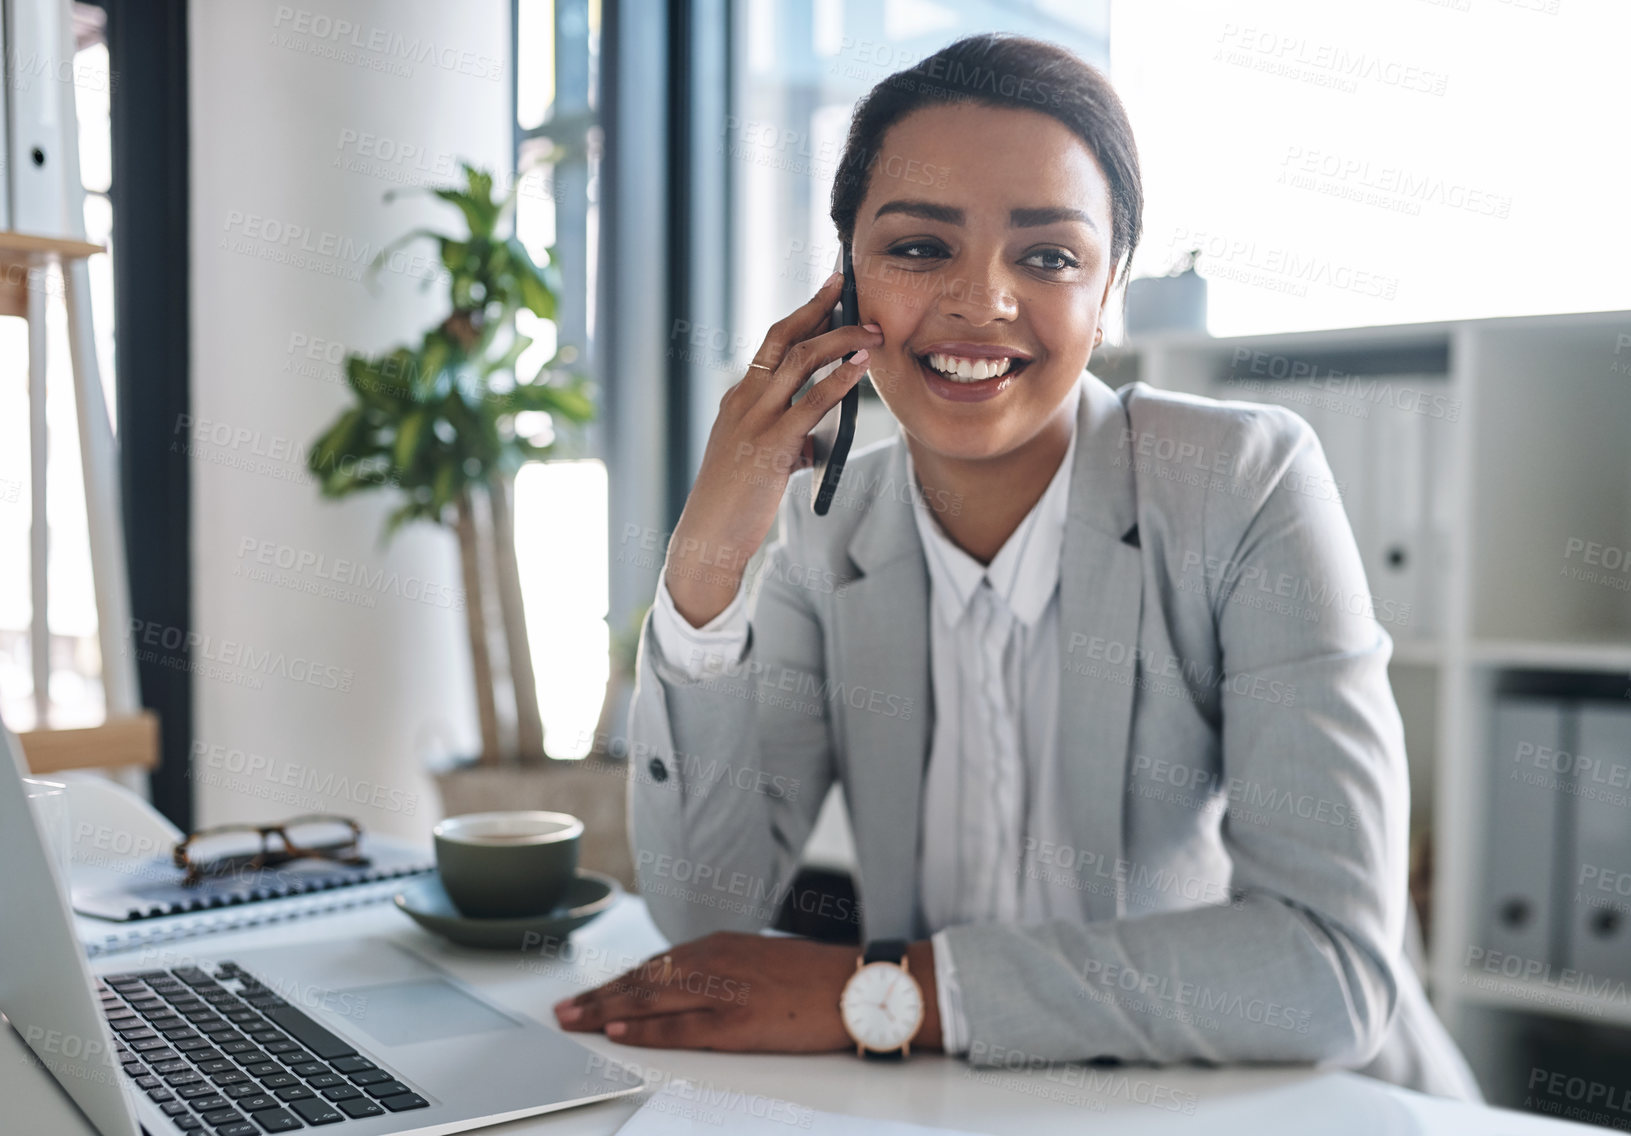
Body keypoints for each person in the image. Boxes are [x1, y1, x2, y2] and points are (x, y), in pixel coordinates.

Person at [552, 31, 1478, 1100]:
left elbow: (1326, 969)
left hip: (1290, 1102)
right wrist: (707, 554)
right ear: (845, 280)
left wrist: (888, 991)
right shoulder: (828, 522)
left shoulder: (1239, 482)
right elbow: (708, 910)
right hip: (970, 1101)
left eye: (1046, 256)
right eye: (916, 248)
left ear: (1109, 283)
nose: (980, 301)